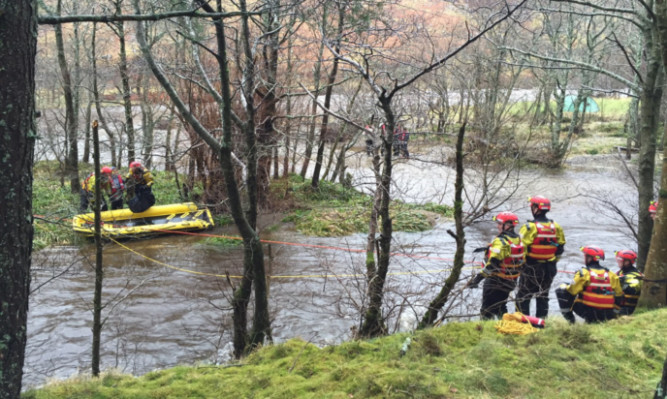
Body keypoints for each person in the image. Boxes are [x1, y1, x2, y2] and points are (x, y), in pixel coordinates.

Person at [469, 212, 526, 320]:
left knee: (487, 309)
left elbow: (492, 265)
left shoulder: (500, 241)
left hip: (495, 281)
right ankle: (505, 326)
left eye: (500, 223)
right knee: (501, 306)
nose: (497, 226)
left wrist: (477, 279)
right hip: (511, 281)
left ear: (508, 225)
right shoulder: (518, 239)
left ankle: (484, 330)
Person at [517, 196, 566, 318]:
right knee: (543, 295)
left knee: (523, 296)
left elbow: (520, 249)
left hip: (531, 267)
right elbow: (560, 248)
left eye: (532, 206)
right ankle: (541, 323)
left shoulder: (529, 227)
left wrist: (520, 266)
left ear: (536, 209)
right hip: (549, 267)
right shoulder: (556, 226)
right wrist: (553, 262)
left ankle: (524, 322)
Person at [556, 246, 623, 324]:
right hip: (608, 314)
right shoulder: (611, 274)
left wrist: (567, 284)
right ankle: (614, 318)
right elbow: (619, 295)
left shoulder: (583, 273)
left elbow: (572, 290)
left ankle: (571, 321)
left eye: (585, 256)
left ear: (589, 258)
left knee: (561, 291)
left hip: (589, 313)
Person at [614, 249, 643, 316]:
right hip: (618, 305)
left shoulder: (635, 275)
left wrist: (622, 282)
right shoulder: (620, 272)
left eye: (620, 259)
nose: (618, 261)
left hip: (627, 308)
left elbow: (633, 289)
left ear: (627, 262)